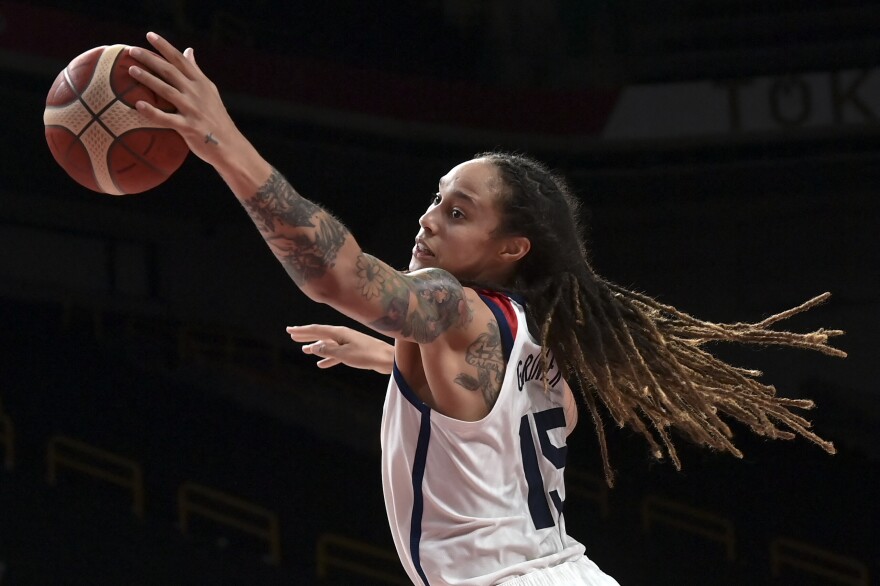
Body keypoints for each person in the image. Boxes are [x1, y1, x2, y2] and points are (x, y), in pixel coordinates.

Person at [128, 33, 845, 586]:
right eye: (437, 198)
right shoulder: (543, 344)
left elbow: (337, 276)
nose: (430, 218)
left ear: (510, 248)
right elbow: (493, 418)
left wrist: (221, 143)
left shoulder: (448, 304)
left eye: (459, 211)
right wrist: (393, 362)